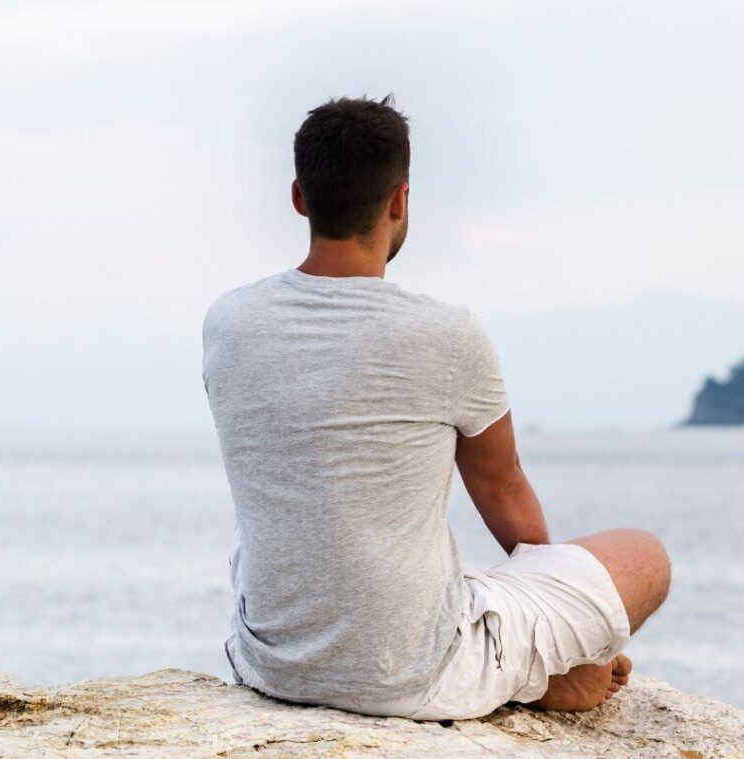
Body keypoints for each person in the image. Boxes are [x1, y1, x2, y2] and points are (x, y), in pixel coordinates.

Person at [201, 93, 670, 721]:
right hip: (413, 676)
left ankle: (517, 664)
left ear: (299, 197)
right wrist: (565, 631)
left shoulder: (228, 321)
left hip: (271, 666)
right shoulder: (447, 335)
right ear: (399, 200)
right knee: (644, 554)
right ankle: (538, 674)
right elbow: (503, 491)